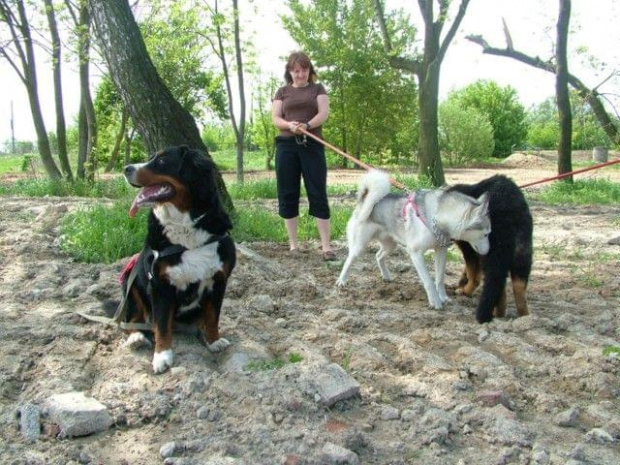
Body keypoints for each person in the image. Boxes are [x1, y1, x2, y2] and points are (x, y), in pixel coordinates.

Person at [271, 51, 337, 261]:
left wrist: (307, 125)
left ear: (310, 71)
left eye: (305, 70)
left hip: (312, 145)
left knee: (317, 192)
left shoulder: (318, 89)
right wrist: (290, 125)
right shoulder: (282, 92)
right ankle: (293, 245)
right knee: (288, 192)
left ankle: (326, 247)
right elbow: (275, 118)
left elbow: (323, 113)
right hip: (286, 147)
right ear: (290, 72)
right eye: (296, 70)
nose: (301, 74)